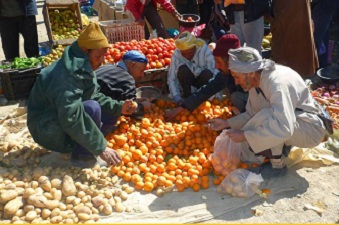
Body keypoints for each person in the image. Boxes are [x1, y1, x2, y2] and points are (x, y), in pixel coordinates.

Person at [27, 23, 138, 168]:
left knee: (111, 112)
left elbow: (94, 95)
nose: (102, 61)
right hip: (46, 127)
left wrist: (119, 107)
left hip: (61, 116)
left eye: (104, 56)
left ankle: (86, 143)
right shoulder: (66, 75)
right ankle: (82, 158)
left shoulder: (83, 65)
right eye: (98, 56)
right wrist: (101, 148)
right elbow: (71, 116)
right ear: (85, 51)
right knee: (92, 108)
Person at [207, 47, 326, 178]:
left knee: (267, 116)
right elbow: (251, 115)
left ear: (250, 73)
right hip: (294, 123)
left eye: (236, 77)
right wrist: (226, 123)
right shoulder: (256, 81)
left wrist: (246, 136)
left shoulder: (277, 84)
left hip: (311, 129)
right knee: (261, 119)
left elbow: (284, 127)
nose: (235, 81)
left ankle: (277, 166)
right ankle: (280, 149)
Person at [165, 34, 248, 121]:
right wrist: (181, 108)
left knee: (236, 97)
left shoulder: (249, 74)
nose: (216, 66)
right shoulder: (224, 75)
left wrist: (233, 123)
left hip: (257, 115)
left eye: (219, 62)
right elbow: (207, 89)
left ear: (230, 61)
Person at [167, 31, 219, 106]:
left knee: (207, 73)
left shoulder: (204, 50)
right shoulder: (177, 53)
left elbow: (215, 73)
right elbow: (171, 78)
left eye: (190, 53)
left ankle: (203, 97)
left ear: (195, 47)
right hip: (188, 82)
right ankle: (187, 97)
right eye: (184, 54)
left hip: (203, 82)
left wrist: (211, 96)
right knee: (182, 70)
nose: (187, 56)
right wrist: (177, 98)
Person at [269, 0, 318, 78]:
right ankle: (294, 75)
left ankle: (289, 76)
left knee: (287, 42)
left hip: (288, 10)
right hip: (290, 10)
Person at [311, 0, 339, 68]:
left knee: (316, 36)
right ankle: (322, 65)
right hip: (326, 5)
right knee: (323, 34)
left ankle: (316, 65)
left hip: (325, 4)